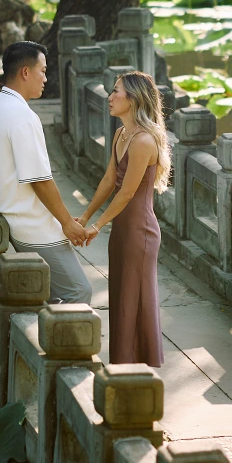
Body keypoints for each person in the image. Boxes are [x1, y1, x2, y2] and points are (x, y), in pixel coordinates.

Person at [0, 40, 92, 304]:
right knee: (78, 292)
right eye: (42, 71)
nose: (46, 78)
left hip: (15, 216)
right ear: (25, 72)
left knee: (49, 296)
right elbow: (40, 180)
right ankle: (55, 344)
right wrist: (65, 222)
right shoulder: (22, 116)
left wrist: (64, 219)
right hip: (30, 226)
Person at [77, 70, 167, 365]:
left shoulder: (143, 141)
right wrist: (86, 215)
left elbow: (127, 193)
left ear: (134, 99)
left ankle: (135, 367)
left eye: (116, 92)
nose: (110, 97)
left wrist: (97, 226)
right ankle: (123, 365)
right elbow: (108, 181)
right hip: (122, 230)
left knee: (134, 300)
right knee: (121, 298)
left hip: (139, 232)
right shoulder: (121, 134)